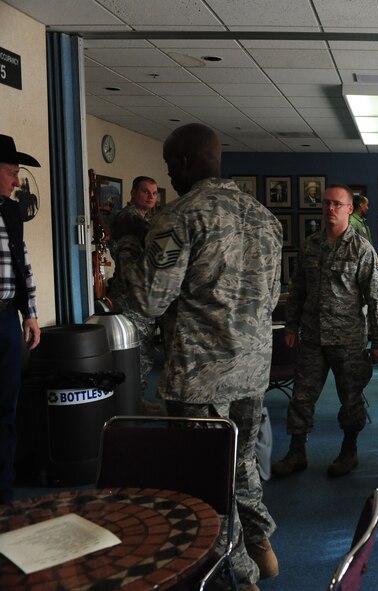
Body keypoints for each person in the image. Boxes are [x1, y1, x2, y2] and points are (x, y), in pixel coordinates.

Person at [115, 123, 281, 589]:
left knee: (207, 477)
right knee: (242, 461)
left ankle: (243, 575)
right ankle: (261, 544)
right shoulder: (264, 217)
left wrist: (128, 242)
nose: (169, 176)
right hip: (251, 368)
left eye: (170, 166)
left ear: (185, 163)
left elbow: (146, 299)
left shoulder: (180, 216)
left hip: (200, 376)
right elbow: (270, 297)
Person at [272, 184, 378, 481]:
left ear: (350, 208)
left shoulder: (362, 249)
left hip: (347, 338)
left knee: (350, 399)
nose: (330, 209)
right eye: (326, 204)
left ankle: (349, 450)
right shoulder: (310, 245)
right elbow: (297, 290)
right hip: (311, 336)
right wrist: (291, 325)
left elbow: (377, 298)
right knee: (301, 397)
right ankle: (297, 452)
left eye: (337, 204)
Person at [0, 134, 41, 505]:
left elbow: (22, 263)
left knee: (7, 409)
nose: (17, 181)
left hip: (6, 322)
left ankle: (4, 496)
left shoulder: (12, 211)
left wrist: (30, 314)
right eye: (11, 172)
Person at [108, 176, 159, 399]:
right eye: (145, 192)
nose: (150, 197)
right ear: (133, 193)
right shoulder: (129, 219)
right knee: (138, 353)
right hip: (130, 295)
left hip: (141, 294)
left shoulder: (145, 219)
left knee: (142, 350)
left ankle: (135, 401)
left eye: (154, 193)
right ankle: (133, 404)